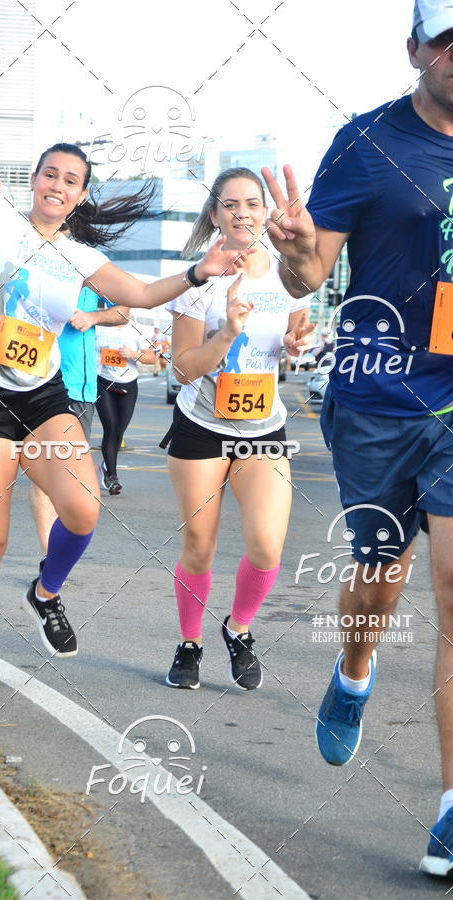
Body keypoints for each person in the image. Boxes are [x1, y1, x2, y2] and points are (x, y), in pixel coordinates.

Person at [0, 1, 246, 692]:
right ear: (33, 181)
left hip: (42, 396)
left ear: (78, 197)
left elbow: (139, 295)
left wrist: (198, 271)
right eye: (49, 175)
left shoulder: (77, 257)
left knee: (84, 510)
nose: (56, 186)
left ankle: (45, 592)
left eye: (70, 182)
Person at [262, 0, 453, 875]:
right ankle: (354, 671)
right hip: (378, 398)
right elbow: (306, 272)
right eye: (447, 39)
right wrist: (295, 250)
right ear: (415, 48)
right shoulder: (367, 142)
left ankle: (450, 807)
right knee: (381, 578)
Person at [162, 167, 312, 691]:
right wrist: (227, 331)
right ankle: (190, 642)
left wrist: (296, 345)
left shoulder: (288, 275)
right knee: (199, 546)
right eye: (231, 205)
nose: (242, 213)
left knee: (267, 545)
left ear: (266, 211)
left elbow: (294, 333)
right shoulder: (198, 281)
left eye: (252, 203)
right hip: (201, 425)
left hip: (262, 426)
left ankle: (238, 628)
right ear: (215, 215)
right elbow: (181, 369)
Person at [29, 286, 129, 552]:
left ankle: (60, 548)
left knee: (73, 478)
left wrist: (93, 317)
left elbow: (124, 311)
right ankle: (48, 555)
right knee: (46, 471)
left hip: (84, 390)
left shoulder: (92, 275)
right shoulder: (43, 273)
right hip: (47, 385)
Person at [95, 319, 157, 494]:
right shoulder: (99, 327)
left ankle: (105, 465)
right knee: (111, 427)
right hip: (103, 383)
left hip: (128, 386)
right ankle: (112, 477)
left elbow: (152, 358)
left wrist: (133, 354)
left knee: (119, 431)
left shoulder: (137, 329)